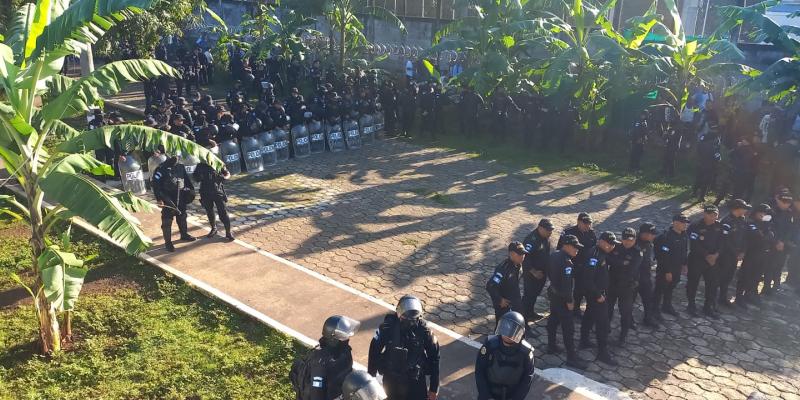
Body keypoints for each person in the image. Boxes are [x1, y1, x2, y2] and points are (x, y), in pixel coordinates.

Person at [368, 295, 440, 400]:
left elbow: (435, 357)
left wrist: (433, 388)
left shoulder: (425, 331)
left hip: (415, 381)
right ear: (399, 314)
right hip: (392, 380)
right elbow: (374, 351)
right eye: (406, 317)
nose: (410, 321)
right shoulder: (387, 327)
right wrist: (371, 379)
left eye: (414, 317)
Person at [291, 315, 360, 400]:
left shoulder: (344, 351)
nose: (347, 339)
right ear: (333, 337)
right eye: (344, 336)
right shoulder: (320, 361)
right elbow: (316, 393)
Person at [546, 234, 587, 370]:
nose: (577, 250)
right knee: (568, 328)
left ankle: (551, 346)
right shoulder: (567, 262)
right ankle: (571, 357)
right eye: (575, 248)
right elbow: (566, 285)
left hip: (554, 294)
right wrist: (570, 301)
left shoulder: (554, 255)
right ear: (567, 246)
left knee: (553, 320)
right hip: (563, 299)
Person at [578, 231, 619, 365]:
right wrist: (598, 295)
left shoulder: (601, 253)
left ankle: (584, 341)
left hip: (597, 294)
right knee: (603, 323)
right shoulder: (594, 256)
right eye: (609, 244)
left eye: (613, 244)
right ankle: (603, 352)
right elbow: (587, 280)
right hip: (596, 295)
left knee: (589, 316)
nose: (612, 246)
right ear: (601, 242)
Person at [475, 311, 535, 400]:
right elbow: (480, 370)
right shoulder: (490, 345)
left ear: (520, 333)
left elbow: (527, 379)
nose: (507, 335)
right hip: (489, 394)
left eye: (512, 331)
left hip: (512, 395)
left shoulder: (526, 352)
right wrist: (485, 395)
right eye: (505, 329)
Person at [557, 212, 597, 318]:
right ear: (578, 222)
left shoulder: (591, 233)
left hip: (583, 267)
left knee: (580, 289)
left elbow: (594, 249)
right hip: (570, 264)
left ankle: (576, 308)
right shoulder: (568, 233)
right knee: (565, 287)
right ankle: (563, 307)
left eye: (589, 224)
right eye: (585, 223)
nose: (587, 226)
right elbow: (560, 250)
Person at [606, 228, 642, 347]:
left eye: (631, 240)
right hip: (612, 284)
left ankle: (623, 336)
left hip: (626, 287)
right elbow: (608, 259)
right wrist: (622, 263)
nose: (628, 242)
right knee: (608, 309)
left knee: (625, 313)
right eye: (625, 239)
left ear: (635, 240)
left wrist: (616, 262)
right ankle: (605, 330)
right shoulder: (616, 247)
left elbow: (631, 271)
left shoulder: (637, 253)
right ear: (622, 238)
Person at [152, 155, 196, 252]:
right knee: (167, 221)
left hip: (181, 195)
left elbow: (186, 180)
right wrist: (159, 199)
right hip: (168, 198)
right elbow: (156, 184)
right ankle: (168, 243)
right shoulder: (160, 169)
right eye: (173, 156)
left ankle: (184, 234)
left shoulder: (180, 166)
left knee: (182, 217)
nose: (175, 157)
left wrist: (191, 191)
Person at [686, 205, 723, 318]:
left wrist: (716, 255)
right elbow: (694, 244)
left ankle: (708, 307)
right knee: (693, 283)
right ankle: (691, 305)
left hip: (713, 260)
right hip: (697, 259)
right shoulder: (695, 226)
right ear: (705, 214)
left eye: (715, 215)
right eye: (710, 215)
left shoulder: (719, 226)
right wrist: (707, 256)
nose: (713, 218)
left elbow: (722, 242)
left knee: (712, 284)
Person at [736, 204, 775, 307]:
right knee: (745, 276)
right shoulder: (750, 223)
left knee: (756, 276)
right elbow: (756, 235)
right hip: (751, 253)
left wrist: (766, 229)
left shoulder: (767, 224)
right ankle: (739, 297)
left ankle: (750, 294)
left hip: (763, 254)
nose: (763, 215)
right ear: (756, 212)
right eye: (761, 213)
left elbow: (770, 237)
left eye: (766, 214)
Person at [653, 214, 690, 319]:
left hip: (677, 268)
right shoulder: (666, 237)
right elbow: (663, 256)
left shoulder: (684, 235)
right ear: (675, 223)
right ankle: (654, 309)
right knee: (659, 289)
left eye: (686, 223)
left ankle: (666, 305)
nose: (685, 225)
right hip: (666, 269)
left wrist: (685, 264)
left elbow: (685, 251)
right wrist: (667, 271)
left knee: (670, 288)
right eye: (683, 222)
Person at [193, 153, 234, 241]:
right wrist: (199, 177)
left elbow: (227, 173)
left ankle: (228, 232)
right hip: (205, 192)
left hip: (217, 192)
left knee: (223, 212)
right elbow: (195, 177)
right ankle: (213, 228)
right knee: (209, 211)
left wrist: (224, 177)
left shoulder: (217, 163)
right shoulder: (200, 166)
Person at [717, 199, 750, 307]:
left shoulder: (742, 220)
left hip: (736, 255)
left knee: (729, 276)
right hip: (726, 254)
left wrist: (743, 251)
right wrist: (735, 252)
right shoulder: (727, 221)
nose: (745, 210)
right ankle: (716, 297)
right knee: (722, 276)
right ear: (737, 208)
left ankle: (723, 297)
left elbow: (745, 237)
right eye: (744, 208)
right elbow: (725, 240)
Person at [486, 242, 528, 326]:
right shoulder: (503, 269)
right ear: (511, 254)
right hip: (504, 304)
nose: (522, 256)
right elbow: (490, 286)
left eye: (523, 254)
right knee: (502, 326)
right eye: (520, 254)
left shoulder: (518, 264)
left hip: (515, 299)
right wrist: (500, 300)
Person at [521, 219, 554, 325]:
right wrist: (534, 271)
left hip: (541, 274)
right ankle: (523, 321)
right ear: (540, 228)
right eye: (548, 230)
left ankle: (530, 313)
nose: (550, 232)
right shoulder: (531, 240)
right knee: (528, 297)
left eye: (551, 230)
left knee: (534, 295)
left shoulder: (545, 238)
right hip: (531, 275)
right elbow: (524, 258)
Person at [765, 190, 794, 294]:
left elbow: (790, 229)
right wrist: (777, 241)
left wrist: (783, 241)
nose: (786, 205)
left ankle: (776, 286)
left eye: (788, 203)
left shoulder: (789, 213)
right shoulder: (771, 211)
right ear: (779, 201)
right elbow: (768, 228)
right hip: (771, 244)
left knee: (779, 266)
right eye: (784, 203)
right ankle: (766, 287)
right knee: (769, 266)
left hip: (783, 245)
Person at [635, 223, 659, 327]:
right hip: (635, 278)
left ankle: (648, 318)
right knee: (630, 301)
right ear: (644, 234)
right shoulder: (633, 242)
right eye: (651, 234)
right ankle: (629, 320)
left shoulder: (649, 243)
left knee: (648, 299)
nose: (654, 236)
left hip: (646, 277)